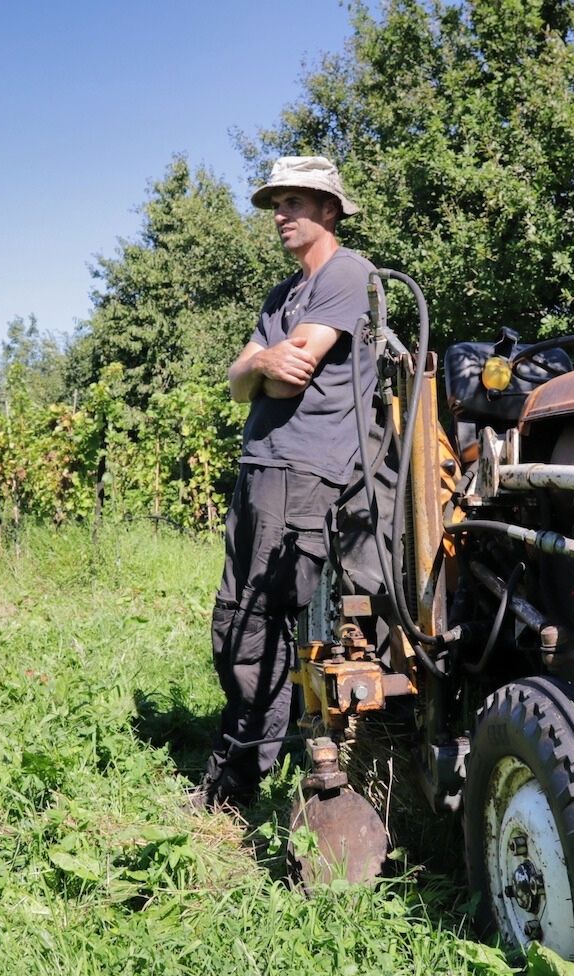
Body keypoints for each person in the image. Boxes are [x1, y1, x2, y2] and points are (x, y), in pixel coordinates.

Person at [197, 156, 376, 811]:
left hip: (304, 469)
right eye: (277, 203)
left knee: (259, 624)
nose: (281, 214)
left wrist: (262, 365)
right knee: (233, 622)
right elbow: (239, 379)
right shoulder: (283, 294)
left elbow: (290, 370)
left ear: (329, 211)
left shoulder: (347, 275)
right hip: (259, 467)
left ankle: (237, 779)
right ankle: (242, 764)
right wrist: (256, 366)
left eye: (295, 202)